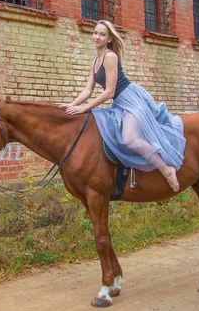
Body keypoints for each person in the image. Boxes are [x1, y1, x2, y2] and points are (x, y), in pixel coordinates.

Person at [56, 20, 186, 192]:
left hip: (132, 100)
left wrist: (85, 108)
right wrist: (71, 105)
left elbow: (109, 91)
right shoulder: (95, 61)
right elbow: (88, 90)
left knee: (130, 139)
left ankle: (166, 169)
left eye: (102, 34)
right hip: (120, 103)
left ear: (109, 39)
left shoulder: (110, 56)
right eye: (95, 33)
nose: (97, 37)